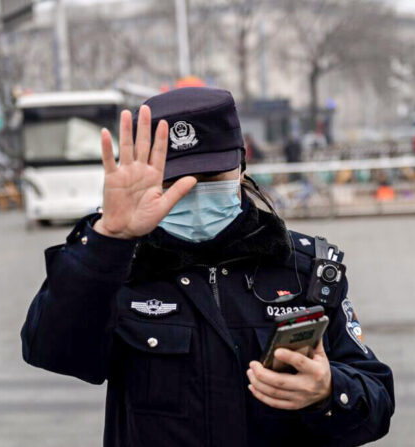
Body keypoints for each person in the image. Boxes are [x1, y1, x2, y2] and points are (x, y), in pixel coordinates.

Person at [21, 87, 394, 447]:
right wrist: (107, 240)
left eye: (209, 177)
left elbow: (376, 401)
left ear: (240, 165)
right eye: (175, 181)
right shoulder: (120, 269)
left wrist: (329, 392)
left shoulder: (304, 267)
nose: (191, 191)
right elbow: (51, 350)